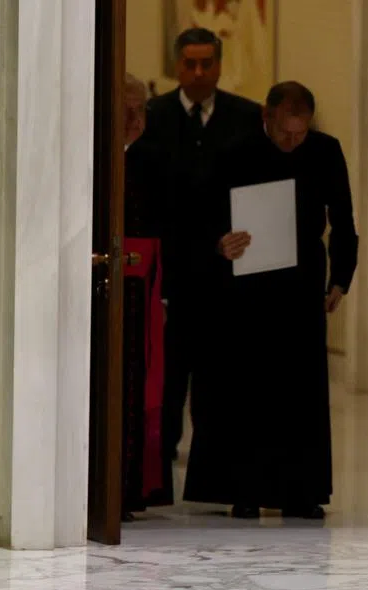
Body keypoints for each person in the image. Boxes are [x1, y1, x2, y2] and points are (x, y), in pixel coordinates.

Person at [182, 81, 359, 520]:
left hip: (301, 286)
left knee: (301, 389)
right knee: (248, 387)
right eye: (285, 133)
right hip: (247, 287)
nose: (291, 142)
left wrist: (341, 277)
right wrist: (219, 244)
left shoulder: (324, 151)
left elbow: (343, 217)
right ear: (268, 116)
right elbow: (201, 214)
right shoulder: (234, 152)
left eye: (299, 134)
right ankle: (245, 489)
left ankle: (301, 491)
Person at [143, 27, 263, 472]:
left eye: (206, 64)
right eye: (189, 64)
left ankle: (214, 458)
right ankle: (161, 450)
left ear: (218, 65)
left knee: (218, 369)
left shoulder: (246, 117)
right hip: (170, 264)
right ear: (177, 65)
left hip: (224, 266)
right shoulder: (153, 115)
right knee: (169, 365)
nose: (197, 72)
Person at [121, 73, 171, 519]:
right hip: (109, 291)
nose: (135, 119)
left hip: (147, 289)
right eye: (126, 109)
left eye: (142, 110)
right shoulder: (92, 154)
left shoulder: (156, 158)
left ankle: (136, 489)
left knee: (144, 383)